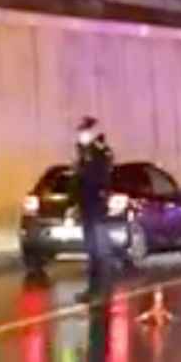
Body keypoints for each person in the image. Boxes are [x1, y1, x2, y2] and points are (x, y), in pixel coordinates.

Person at [73, 116, 115, 304]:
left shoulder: (100, 152)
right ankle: (92, 289)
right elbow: (78, 181)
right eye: (80, 131)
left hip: (96, 207)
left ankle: (103, 290)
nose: (81, 135)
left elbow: (99, 178)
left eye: (84, 131)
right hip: (86, 206)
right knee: (91, 251)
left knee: (100, 251)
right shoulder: (84, 152)